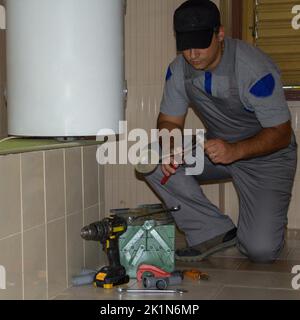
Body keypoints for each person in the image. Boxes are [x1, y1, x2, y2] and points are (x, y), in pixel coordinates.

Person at [143, 0, 298, 263]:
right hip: (216, 149)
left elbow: (281, 133)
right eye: (186, 45)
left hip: (267, 158)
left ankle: (267, 227)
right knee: (150, 157)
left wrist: (236, 150)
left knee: (260, 251)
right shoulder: (179, 69)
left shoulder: (254, 69)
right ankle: (212, 231)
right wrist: (170, 149)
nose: (193, 54)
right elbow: (169, 121)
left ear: (221, 34)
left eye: (201, 43)